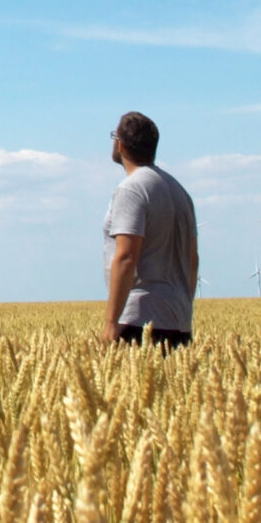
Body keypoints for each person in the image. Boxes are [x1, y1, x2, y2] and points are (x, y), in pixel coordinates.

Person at [101, 111, 198, 348]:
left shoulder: (132, 189)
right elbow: (193, 259)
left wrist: (111, 321)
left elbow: (126, 255)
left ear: (120, 145)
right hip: (179, 320)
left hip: (140, 321)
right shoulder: (179, 191)